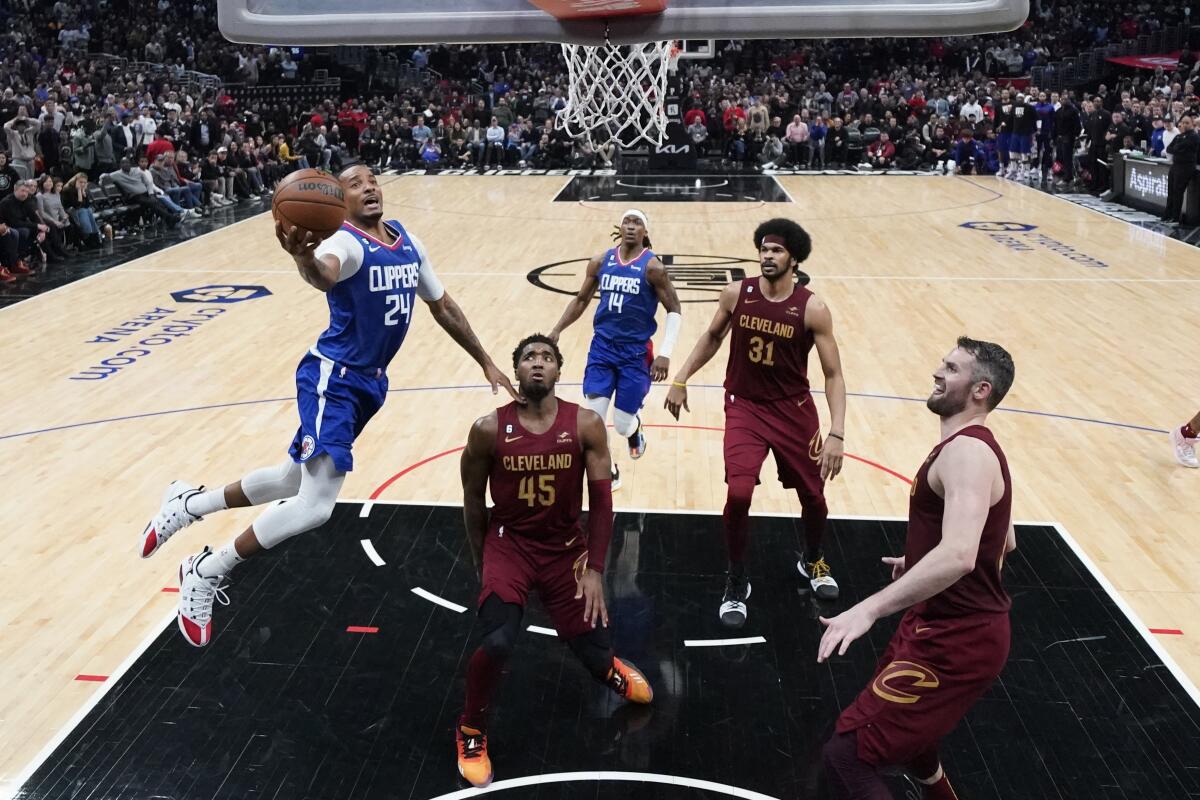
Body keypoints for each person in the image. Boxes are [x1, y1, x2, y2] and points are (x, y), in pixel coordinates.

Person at [139, 164, 519, 647]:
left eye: (372, 180)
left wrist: (485, 360)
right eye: (355, 185)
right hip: (332, 380)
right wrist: (303, 257)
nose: (369, 188)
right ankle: (207, 569)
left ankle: (188, 503)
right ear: (338, 201)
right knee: (316, 506)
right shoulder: (345, 241)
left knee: (291, 479)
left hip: (368, 386)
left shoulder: (407, 242)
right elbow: (324, 273)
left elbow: (441, 305)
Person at [818, 337, 1016, 800]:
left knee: (846, 757)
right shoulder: (976, 448)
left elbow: (962, 555)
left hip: (957, 639)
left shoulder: (967, 453)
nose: (937, 372)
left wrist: (868, 609)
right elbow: (1003, 539)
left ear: (980, 389)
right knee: (917, 746)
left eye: (951, 368)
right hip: (941, 626)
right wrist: (924, 557)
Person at [455, 333, 653, 788]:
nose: (538, 363)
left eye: (546, 357)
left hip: (566, 548)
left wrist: (598, 569)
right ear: (517, 372)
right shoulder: (488, 429)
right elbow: (471, 502)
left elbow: (602, 504)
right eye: (528, 357)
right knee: (499, 640)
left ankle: (610, 669)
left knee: (590, 650)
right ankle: (471, 730)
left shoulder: (585, 425)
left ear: (559, 371)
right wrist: (482, 559)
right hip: (510, 545)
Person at [665, 218, 847, 626]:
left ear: (794, 258)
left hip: (793, 411)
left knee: (814, 497)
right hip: (745, 407)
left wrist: (836, 431)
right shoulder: (737, 293)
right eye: (764, 249)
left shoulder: (812, 307)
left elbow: (833, 374)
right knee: (740, 494)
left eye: (777, 250)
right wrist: (681, 378)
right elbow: (712, 337)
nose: (768, 256)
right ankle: (737, 578)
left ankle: (814, 559)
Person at [548, 210, 682, 490]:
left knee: (621, 424)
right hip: (602, 349)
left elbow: (674, 309)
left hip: (635, 354)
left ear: (646, 232)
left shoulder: (653, 268)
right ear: (619, 227)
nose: (631, 227)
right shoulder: (600, 261)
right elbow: (582, 299)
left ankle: (634, 431)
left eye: (638, 223)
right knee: (594, 419)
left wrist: (665, 353)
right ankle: (609, 471)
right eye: (628, 221)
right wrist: (557, 330)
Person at [1163, 115, 1198, 225]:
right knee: (1170, 191)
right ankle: (1167, 215)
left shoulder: (1194, 136)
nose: (1184, 125)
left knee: (1178, 191)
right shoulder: (1179, 136)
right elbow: (1169, 148)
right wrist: (1177, 149)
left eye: (1187, 123)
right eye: (1183, 122)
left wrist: (1177, 149)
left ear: (1192, 124)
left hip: (1185, 167)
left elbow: (1180, 149)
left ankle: (1175, 218)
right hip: (1175, 165)